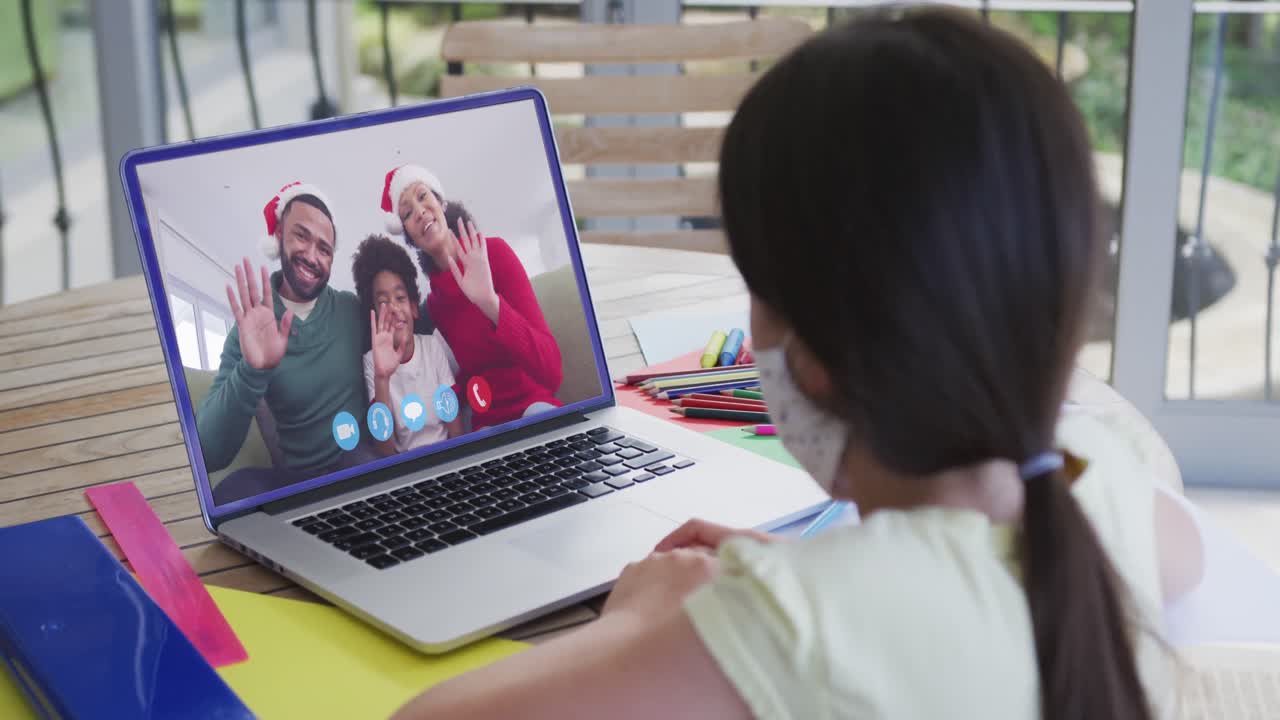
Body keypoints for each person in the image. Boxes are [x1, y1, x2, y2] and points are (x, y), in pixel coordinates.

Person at [392, 10, 1205, 720]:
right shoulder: (1103, 479)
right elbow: (1177, 557)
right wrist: (820, 576)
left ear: (810, 359)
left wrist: (641, 623)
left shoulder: (794, 629)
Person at [198, 182, 371, 504]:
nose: (312, 256)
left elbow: (406, 322)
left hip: (357, 461)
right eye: (301, 236)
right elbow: (208, 453)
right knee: (233, 492)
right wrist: (252, 370)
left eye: (324, 249)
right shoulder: (250, 329)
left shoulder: (350, 309)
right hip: (296, 479)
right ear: (278, 236)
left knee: (361, 465)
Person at [379, 164, 562, 430]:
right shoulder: (436, 305)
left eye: (423, 196)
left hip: (532, 407)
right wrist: (445, 396)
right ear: (411, 238)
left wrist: (490, 302)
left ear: (441, 203)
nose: (419, 212)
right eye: (407, 213)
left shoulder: (495, 254)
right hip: (488, 421)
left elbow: (553, 373)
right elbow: (477, 369)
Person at [351, 234, 464, 455]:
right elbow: (385, 452)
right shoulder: (371, 362)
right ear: (373, 316)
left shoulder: (431, 347)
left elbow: (456, 430)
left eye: (400, 298)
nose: (393, 308)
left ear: (413, 308)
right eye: (383, 302)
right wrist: (382, 378)